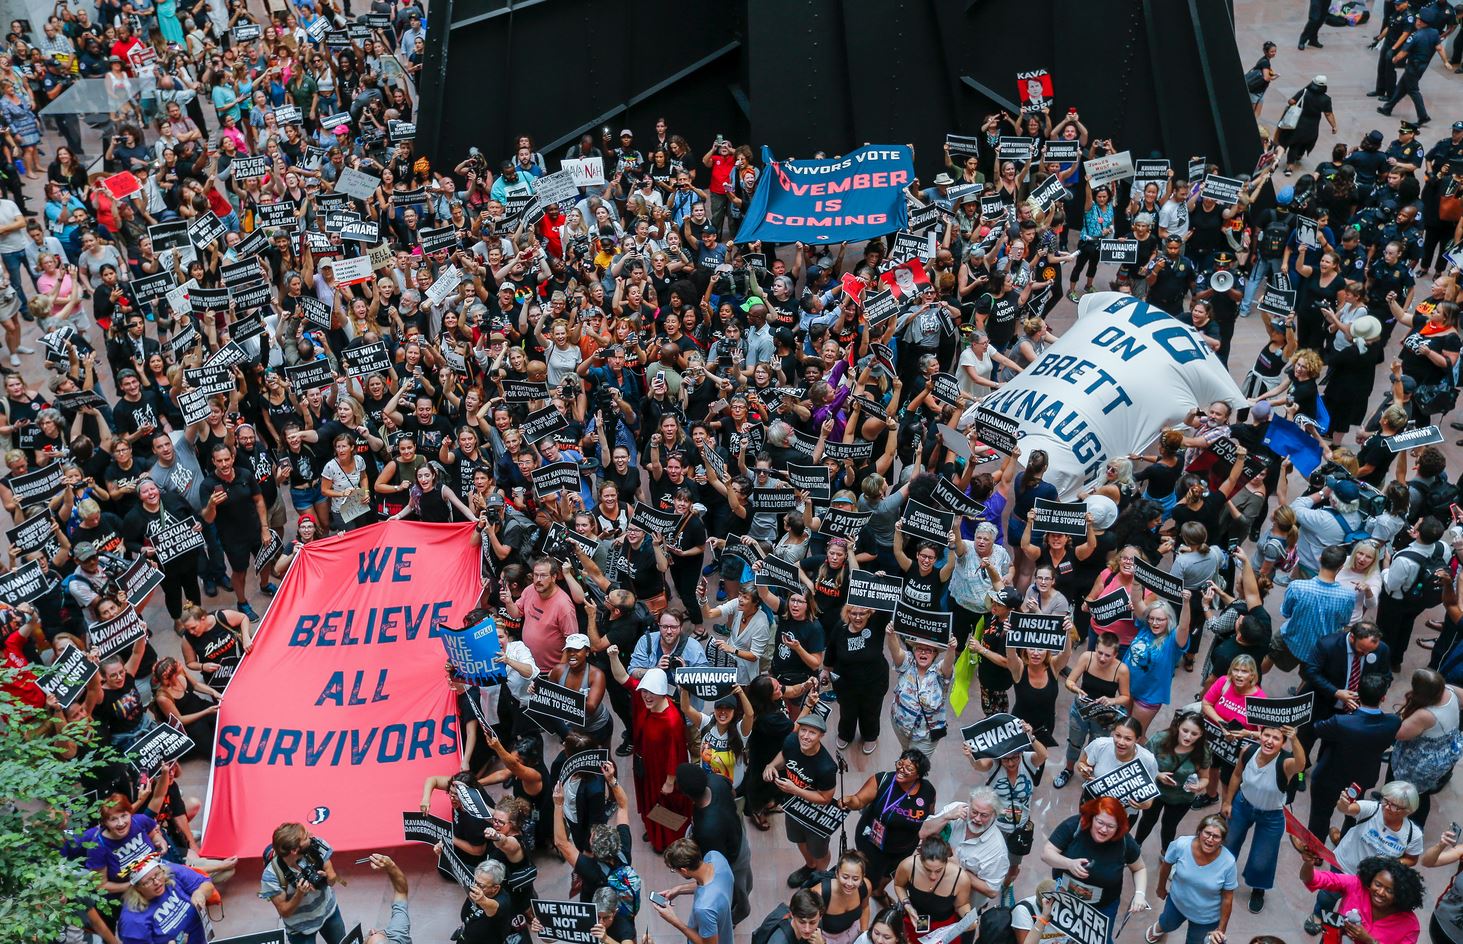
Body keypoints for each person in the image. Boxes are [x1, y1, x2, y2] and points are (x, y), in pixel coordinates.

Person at [604, 656, 691, 853]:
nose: (646, 696)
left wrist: (670, 781)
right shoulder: (644, 701)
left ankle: (668, 840)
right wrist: (612, 656)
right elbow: (623, 678)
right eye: (644, 691)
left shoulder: (672, 721)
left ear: (661, 693)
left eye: (652, 692)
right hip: (645, 765)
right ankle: (654, 831)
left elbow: (675, 754)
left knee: (667, 804)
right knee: (649, 800)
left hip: (662, 772)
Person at [1221, 725, 1307, 914]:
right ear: (1260, 735)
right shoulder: (1248, 751)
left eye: (1276, 738)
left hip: (1271, 815)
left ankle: (1258, 889)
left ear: (1283, 743)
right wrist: (1227, 801)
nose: (1269, 741)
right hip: (1242, 805)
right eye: (1266, 735)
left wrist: (1295, 739)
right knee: (1229, 844)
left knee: (1263, 858)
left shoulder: (1285, 763)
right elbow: (1236, 775)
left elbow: (1301, 765)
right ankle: (1220, 877)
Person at [1307, 673, 1402, 840]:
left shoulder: (1341, 722)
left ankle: (1315, 852)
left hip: (1330, 776)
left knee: (1320, 815)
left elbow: (1317, 728)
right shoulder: (1393, 722)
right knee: (1354, 815)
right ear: (1383, 698)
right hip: (1361, 779)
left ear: (1357, 693)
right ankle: (1344, 845)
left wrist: (1351, 715)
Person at [1041, 796, 1148, 927]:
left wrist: (1140, 894)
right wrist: (1068, 863)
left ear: (1118, 827)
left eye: (1110, 826)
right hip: (1063, 896)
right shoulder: (1074, 826)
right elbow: (1046, 854)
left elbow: (1139, 868)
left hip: (1102, 908)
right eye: (1100, 822)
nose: (1103, 829)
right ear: (1092, 817)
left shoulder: (1125, 842)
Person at [841, 748, 938, 891]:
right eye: (900, 763)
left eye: (909, 768)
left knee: (891, 873)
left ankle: (879, 892)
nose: (901, 769)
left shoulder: (928, 790)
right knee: (869, 874)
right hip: (872, 843)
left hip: (904, 848)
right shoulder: (882, 780)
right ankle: (866, 892)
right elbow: (859, 801)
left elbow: (931, 814)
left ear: (919, 775)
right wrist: (849, 800)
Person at [675, 763, 752, 925]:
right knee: (745, 880)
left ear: (687, 794)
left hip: (731, 859)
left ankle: (732, 918)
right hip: (738, 838)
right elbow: (732, 792)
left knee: (735, 894)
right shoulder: (716, 780)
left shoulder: (707, 829)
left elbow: (716, 868)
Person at [1297, 852, 1424, 944]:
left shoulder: (1410, 925)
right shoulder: (1356, 885)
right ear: (1370, 880)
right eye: (1378, 884)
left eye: (1389, 890)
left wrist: (1370, 941)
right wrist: (1308, 863)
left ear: (1400, 894)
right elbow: (1311, 879)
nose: (1380, 892)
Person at [1148, 815, 1237, 944]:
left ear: (1222, 841)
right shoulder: (1181, 844)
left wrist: (1221, 929)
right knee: (1167, 923)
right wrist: (1161, 887)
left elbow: (1228, 898)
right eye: (1207, 833)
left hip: (1206, 917)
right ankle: (1161, 927)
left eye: (1216, 836)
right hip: (1177, 903)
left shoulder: (1228, 862)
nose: (1210, 839)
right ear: (1199, 832)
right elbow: (1167, 864)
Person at [917, 786, 1009, 912]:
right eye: (974, 812)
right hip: (931, 890)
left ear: (994, 815)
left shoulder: (997, 849)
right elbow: (923, 833)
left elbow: (991, 891)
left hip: (961, 905)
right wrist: (946, 816)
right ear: (969, 805)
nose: (977, 819)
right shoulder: (956, 809)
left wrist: (959, 869)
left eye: (984, 815)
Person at [259, 822, 345, 944]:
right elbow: (284, 911)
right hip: (299, 928)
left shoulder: (317, 847)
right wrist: (299, 893)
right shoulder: (271, 876)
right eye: (305, 837)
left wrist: (327, 877)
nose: (311, 835)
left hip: (328, 911)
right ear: (294, 850)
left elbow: (332, 879)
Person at [652, 838, 735, 944]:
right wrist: (678, 890)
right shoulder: (715, 857)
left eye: (674, 870)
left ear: (684, 870)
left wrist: (674, 921)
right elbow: (710, 885)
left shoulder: (704, 908)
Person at [117, 857, 217, 944]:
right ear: (137, 888)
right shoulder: (132, 920)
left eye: (157, 874)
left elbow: (206, 883)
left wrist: (200, 892)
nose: (156, 882)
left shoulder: (172, 872)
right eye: (147, 882)